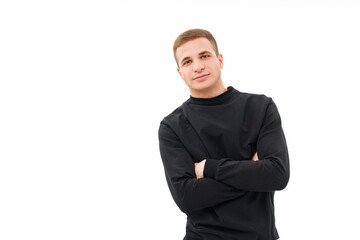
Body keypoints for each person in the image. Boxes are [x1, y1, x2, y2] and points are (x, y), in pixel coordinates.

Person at [158, 28, 290, 240]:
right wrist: (253, 171)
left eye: (204, 56)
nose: (198, 66)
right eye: (187, 61)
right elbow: (186, 197)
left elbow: (277, 175)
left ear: (219, 60)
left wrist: (209, 168)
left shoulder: (261, 107)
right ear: (180, 72)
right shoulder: (172, 126)